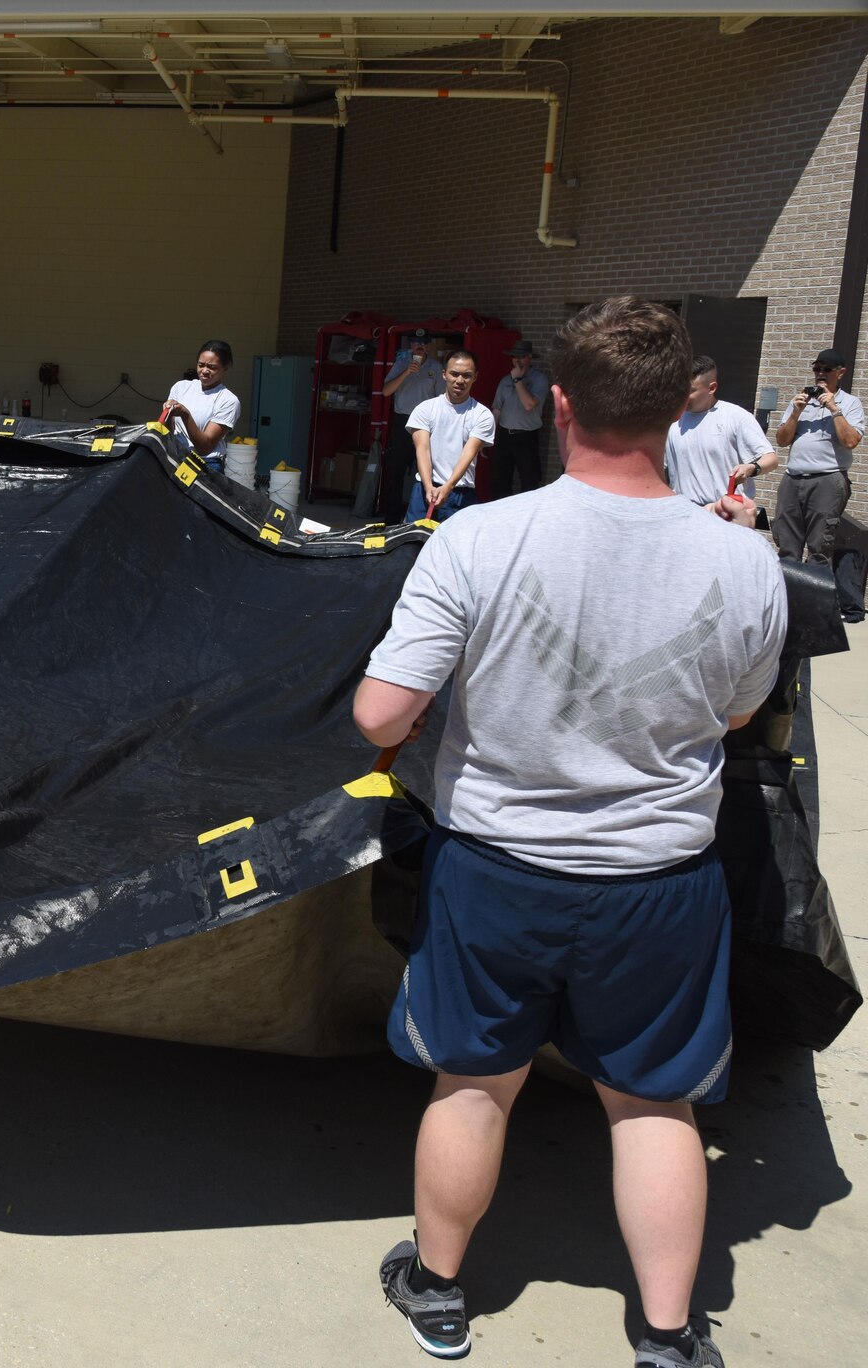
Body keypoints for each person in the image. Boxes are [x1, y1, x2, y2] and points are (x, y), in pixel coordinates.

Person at [356, 297, 786, 1368]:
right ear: (678, 408)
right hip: (657, 879)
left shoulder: (478, 540)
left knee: (471, 1085)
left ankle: (439, 1290)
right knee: (650, 1107)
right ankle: (668, 1334)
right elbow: (736, 715)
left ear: (554, 405)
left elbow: (378, 714)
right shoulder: (742, 564)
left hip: (496, 869)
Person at [772, 347, 862, 566]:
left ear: (840, 373)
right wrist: (796, 412)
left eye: (827, 369)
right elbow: (782, 440)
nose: (820, 373)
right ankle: (788, 597)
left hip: (827, 480)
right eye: (816, 369)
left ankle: (813, 599)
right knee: (786, 545)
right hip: (793, 479)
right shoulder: (801, 401)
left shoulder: (850, 403)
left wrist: (833, 408)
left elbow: (851, 441)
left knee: (819, 549)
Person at [663, 356, 777, 507]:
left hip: (725, 512)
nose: (683, 396)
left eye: (690, 391)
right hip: (685, 511)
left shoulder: (736, 417)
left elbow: (771, 459)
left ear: (712, 388)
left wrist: (751, 468)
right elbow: (662, 468)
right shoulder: (673, 421)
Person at [404, 350, 494, 523]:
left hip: (460, 493)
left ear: (475, 377)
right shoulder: (425, 409)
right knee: (414, 547)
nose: (460, 380)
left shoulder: (482, 415)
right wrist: (428, 485)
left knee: (456, 549)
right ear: (444, 374)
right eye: (454, 374)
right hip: (424, 490)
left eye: (466, 376)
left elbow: (468, 454)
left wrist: (448, 486)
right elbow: (422, 450)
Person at [162, 340, 241, 469]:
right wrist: (168, 414)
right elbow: (166, 434)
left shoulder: (228, 400)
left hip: (205, 464)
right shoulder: (180, 387)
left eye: (212, 367)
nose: (204, 371)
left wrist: (185, 414)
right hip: (176, 457)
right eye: (201, 365)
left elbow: (205, 447)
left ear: (225, 368)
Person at [490, 340, 551, 496]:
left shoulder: (539, 380)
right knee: (500, 480)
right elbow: (497, 409)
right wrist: (488, 437)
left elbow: (529, 404)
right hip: (504, 435)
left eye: (522, 357)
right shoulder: (505, 380)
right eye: (514, 357)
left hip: (526, 436)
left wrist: (517, 380)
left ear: (530, 358)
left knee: (529, 481)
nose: (517, 361)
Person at [382, 328, 444, 455]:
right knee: (397, 465)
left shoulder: (436, 366)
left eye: (423, 343)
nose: (420, 346)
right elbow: (386, 391)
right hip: (403, 421)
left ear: (428, 346)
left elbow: (441, 398)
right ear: (411, 345)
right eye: (416, 342)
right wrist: (406, 372)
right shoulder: (401, 363)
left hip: (425, 422)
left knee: (423, 464)